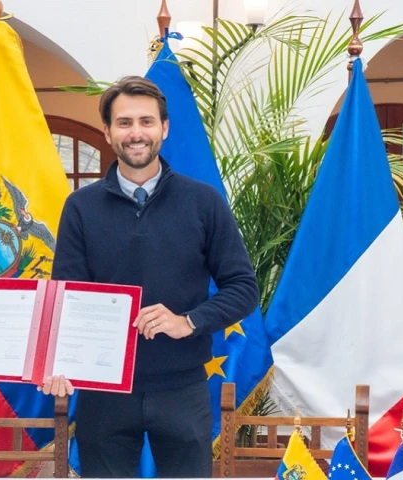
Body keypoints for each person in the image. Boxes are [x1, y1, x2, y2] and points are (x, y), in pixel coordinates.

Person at [48, 76, 259, 478]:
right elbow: (66, 298)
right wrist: (59, 360)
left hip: (182, 387)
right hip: (103, 389)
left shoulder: (204, 202)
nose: (136, 133)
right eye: (124, 123)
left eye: (146, 122)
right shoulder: (80, 207)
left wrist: (188, 321)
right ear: (108, 132)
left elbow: (243, 288)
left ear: (164, 128)